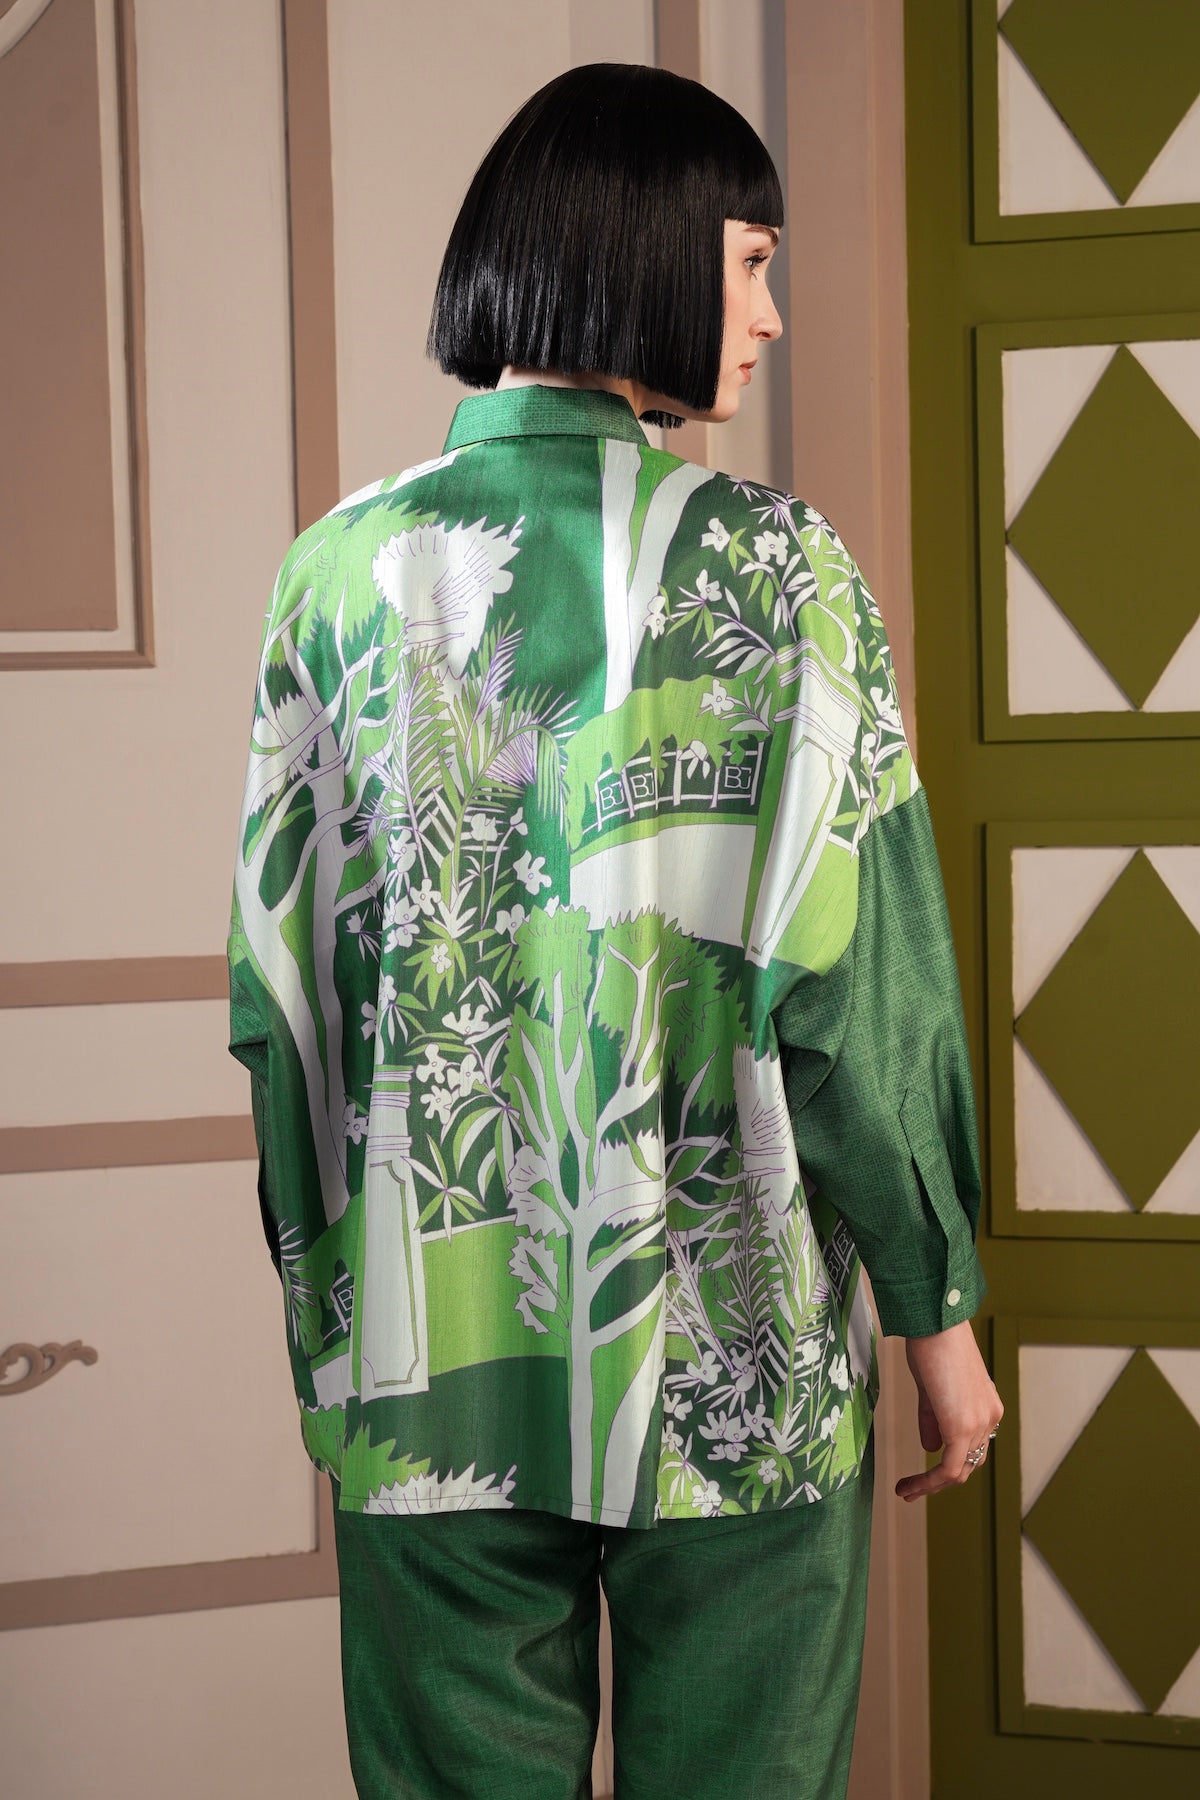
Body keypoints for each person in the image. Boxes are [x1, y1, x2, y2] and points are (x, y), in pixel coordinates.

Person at [227, 60, 1002, 1800]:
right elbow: (855, 988)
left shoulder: (329, 572)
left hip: (421, 1365)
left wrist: (335, 1312)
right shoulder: (779, 570)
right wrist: (937, 1312)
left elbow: (282, 1003)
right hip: (733, 1365)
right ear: (639, 248)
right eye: (752, 262)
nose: (773, 316)